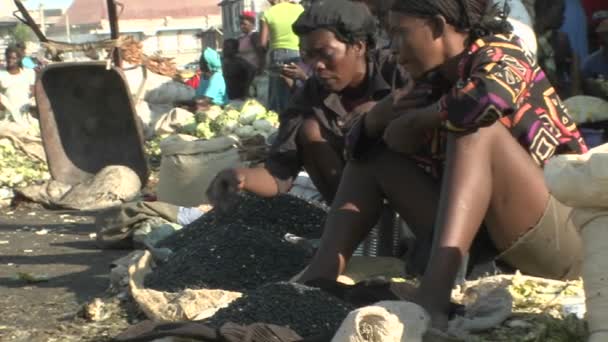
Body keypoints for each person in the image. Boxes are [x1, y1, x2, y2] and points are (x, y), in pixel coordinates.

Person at [293, 0, 588, 330]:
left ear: (435, 26)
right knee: (374, 152)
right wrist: (378, 119)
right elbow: (355, 149)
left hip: (563, 242)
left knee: (475, 132)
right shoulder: (429, 81)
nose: (394, 49)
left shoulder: (500, 53)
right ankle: (319, 275)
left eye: (400, 34)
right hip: (487, 253)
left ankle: (432, 298)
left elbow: (489, 99)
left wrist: (420, 121)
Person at [207, 0, 409, 210]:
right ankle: (355, 221)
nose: (316, 65)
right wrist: (241, 177)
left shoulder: (398, 68)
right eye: (308, 56)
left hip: (413, 187)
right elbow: (279, 172)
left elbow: (432, 104)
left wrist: (379, 111)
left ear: (358, 46)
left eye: (326, 54)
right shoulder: (310, 95)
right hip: (356, 200)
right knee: (309, 129)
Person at [259, 0, 305, 113]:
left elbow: (262, 43)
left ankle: (281, 123)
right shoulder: (300, 9)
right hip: (299, 53)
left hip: (278, 55)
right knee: (298, 88)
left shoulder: (268, 13)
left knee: (279, 95)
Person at [535, 0, 581, 98]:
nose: (563, 17)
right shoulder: (528, 38)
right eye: (560, 12)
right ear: (546, 12)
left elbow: (572, 68)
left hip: (560, 93)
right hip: (537, 93)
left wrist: (575, 88)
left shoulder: (561, 39)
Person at [0, 45, 36, 126]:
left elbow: (33, 92)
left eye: (13, 58)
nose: (10, 60)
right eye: (8, 58)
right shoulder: (2, 75)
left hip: (25, 114)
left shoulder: (28, 73)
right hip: (8, 117)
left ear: (19, 59)